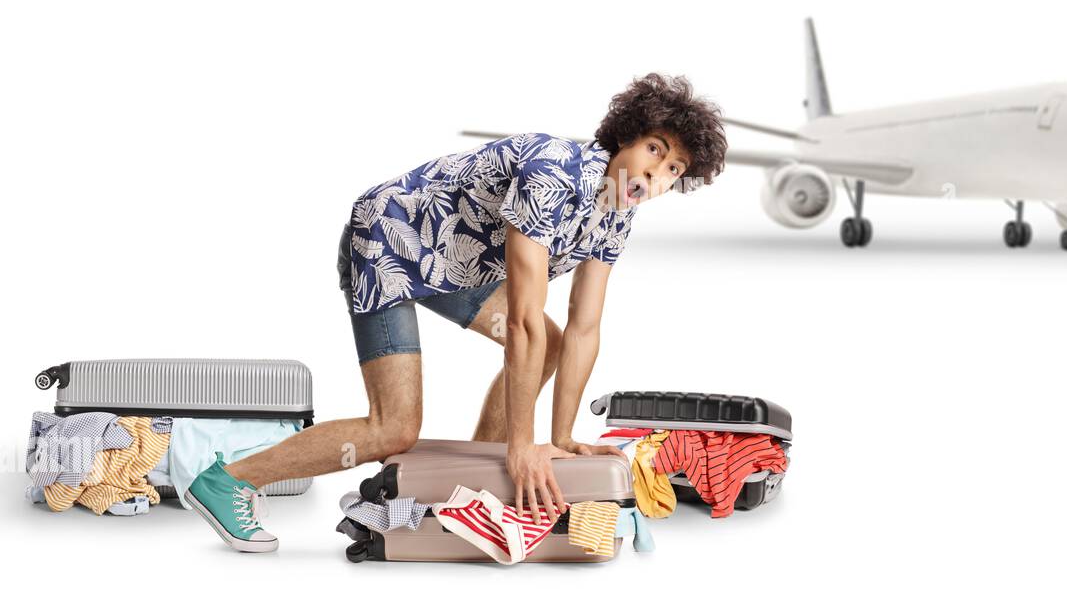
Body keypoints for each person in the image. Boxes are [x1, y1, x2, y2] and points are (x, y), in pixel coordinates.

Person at [184, 73, 728, 551]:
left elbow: (584, 329)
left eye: (675, 169)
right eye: (656, 150)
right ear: (626, 137)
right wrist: (523, 445)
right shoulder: (555, 174)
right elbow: (523, 319)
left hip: (457, 266)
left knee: (556, 345)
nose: (659, 174)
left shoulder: (615, 216)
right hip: (392, 242)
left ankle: (479, 479)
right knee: (393, 430)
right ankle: (228, 481)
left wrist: (558, 438)